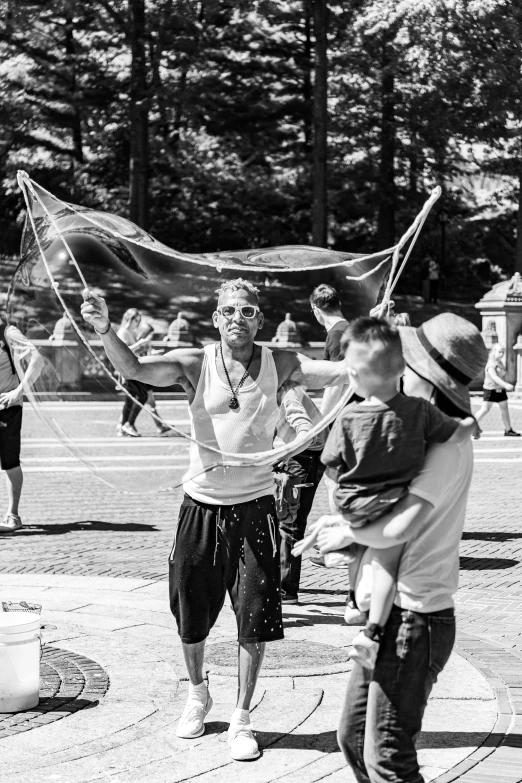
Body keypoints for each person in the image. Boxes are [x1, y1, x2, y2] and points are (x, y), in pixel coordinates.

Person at [80, 278, 348, 762]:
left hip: (256, 509)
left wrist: (376, 346)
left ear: (260, 320)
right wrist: (104, 330)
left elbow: (337, 374)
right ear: (216, 317)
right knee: (190, 610)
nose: (238, 319)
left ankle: (243, 717)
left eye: (248, 311)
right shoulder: (194, 362)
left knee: (256, 615)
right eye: (229, 311)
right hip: (200, 506)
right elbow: (135, 368)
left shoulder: (279, 362)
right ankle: (198, 693)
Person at [307, 313, 487, 783]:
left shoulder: (442, 446)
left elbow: (397, 528)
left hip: (416, 619)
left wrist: (348, 533)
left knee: (388, 757)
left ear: (423, 374)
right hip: (392, 619)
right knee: (353, 739)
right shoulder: (415, 431)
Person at [296, 317, 477, 669]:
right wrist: (472, 423)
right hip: (389, 503)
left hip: (357, 506)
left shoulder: (349, 416)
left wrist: (349, 523)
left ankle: (365, 620)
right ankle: (370, 627)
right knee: (384, 565)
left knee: (378, 561)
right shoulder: (423, 415)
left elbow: (331, 459)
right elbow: (456, 432)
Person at [273, 387, 326, 604]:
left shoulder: (285, 388)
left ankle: (286, 589)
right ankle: (281, 583)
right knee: (285, 517)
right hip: (300, 452)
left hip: (305, 454)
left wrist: (284, 455)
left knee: (290, 520)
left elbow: (308, 433)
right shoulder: (269, 384)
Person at [0, 321, 43, 535]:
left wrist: (19, 391)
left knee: (10, 463)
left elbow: (38, 360)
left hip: (5, 408)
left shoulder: (8, 332)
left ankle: (13, 514)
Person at [116, 309, 165, 437]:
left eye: (138, 321)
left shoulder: (130, 333)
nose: (137, 324)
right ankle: (128, 424)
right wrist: (139, 344)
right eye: (135, 320)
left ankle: (123, 426)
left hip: (131, 369)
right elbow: (123, 351)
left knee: (129, 400)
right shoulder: (124, 332)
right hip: (129, 370)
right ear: (129, 319)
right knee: (142, 396)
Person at [475, 343, 520, 437]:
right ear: (494, 352)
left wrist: (503, 386)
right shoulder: (491, 364)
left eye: (502, 352)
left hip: (500, 390)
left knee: (504, 409)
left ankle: (508, 430)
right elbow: (494, 377)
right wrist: (506, 385)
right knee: (485, 409)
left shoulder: (500, 363)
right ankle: (470, 426)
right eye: (499, 352)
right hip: (490, 390)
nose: (501, 354)